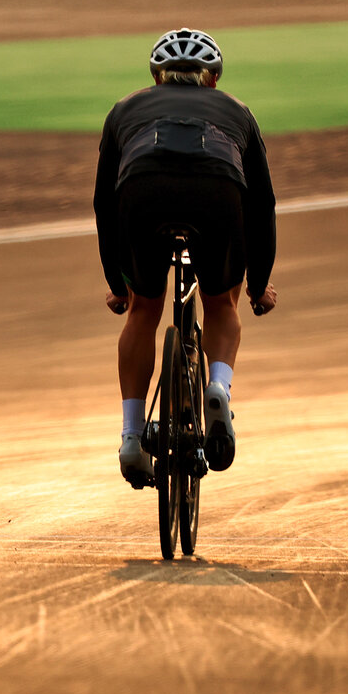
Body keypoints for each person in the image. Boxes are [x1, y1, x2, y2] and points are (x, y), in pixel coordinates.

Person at [93, 27, 278, 488]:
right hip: (218, 190)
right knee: (221, 303)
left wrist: (120, 286)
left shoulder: (124, 110)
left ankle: (132, 436)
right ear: (212, 79)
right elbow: (263, 204)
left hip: (142, 190)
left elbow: (103, 204)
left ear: (157, 78)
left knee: (142, 312)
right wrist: (257, 285)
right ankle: (218, 386)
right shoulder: (238, 111)